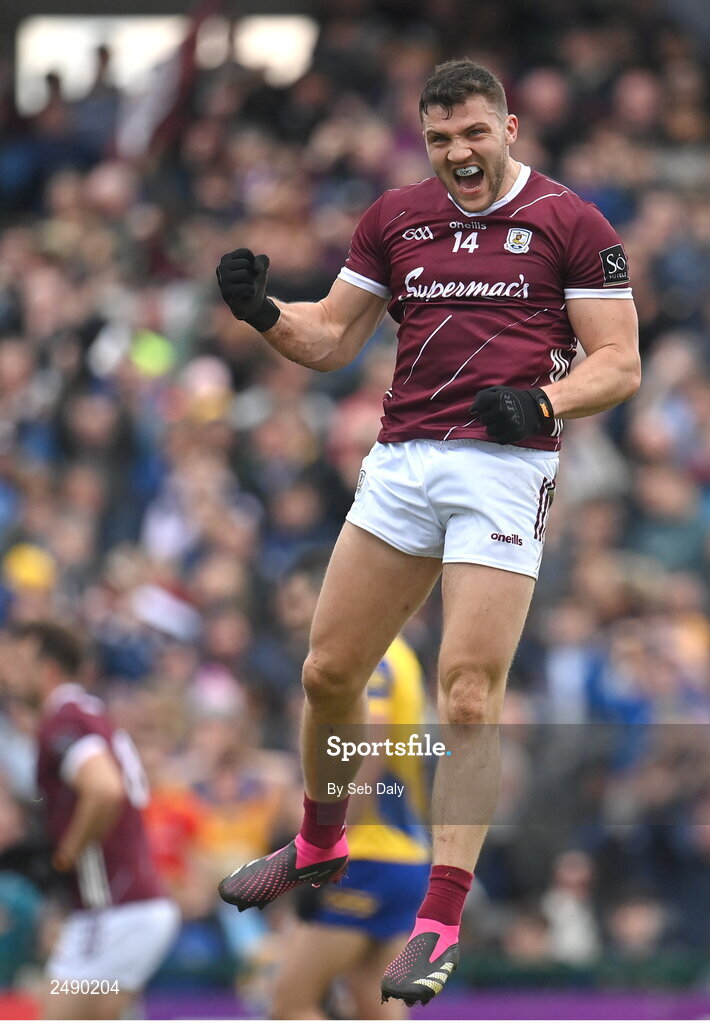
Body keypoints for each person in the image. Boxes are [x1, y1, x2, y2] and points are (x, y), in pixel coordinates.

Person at [216, 58, 640, 1007]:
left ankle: (439, 921)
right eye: (441, 139)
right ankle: (322, 842)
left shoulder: (572, 223)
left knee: (465, 691)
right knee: (328, 672)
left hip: (503, 470)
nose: (459, 154)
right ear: (425, 140)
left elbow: (618, 365)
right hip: (403, 461)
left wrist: (539, 401)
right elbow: (329, 339)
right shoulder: (393, 217)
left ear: (510, 128)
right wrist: (260, 311)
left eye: (474, 134)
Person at [268, 551, 431, 1019]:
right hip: (403, 856)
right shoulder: (396, 651)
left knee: (289, 1002)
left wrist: (324, 850)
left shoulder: (368, 658)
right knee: (373, 1007)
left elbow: (366, 755)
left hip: (365, 855)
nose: (289, 614)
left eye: (298, 600)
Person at [3, 620, 179, 1019]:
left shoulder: (61, 719)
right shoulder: (85, 712)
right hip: (130, 908)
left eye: (18, 661)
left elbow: (104, 789)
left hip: (113, 911)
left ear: (47, 669)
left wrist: (64, 857)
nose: (8, 672)